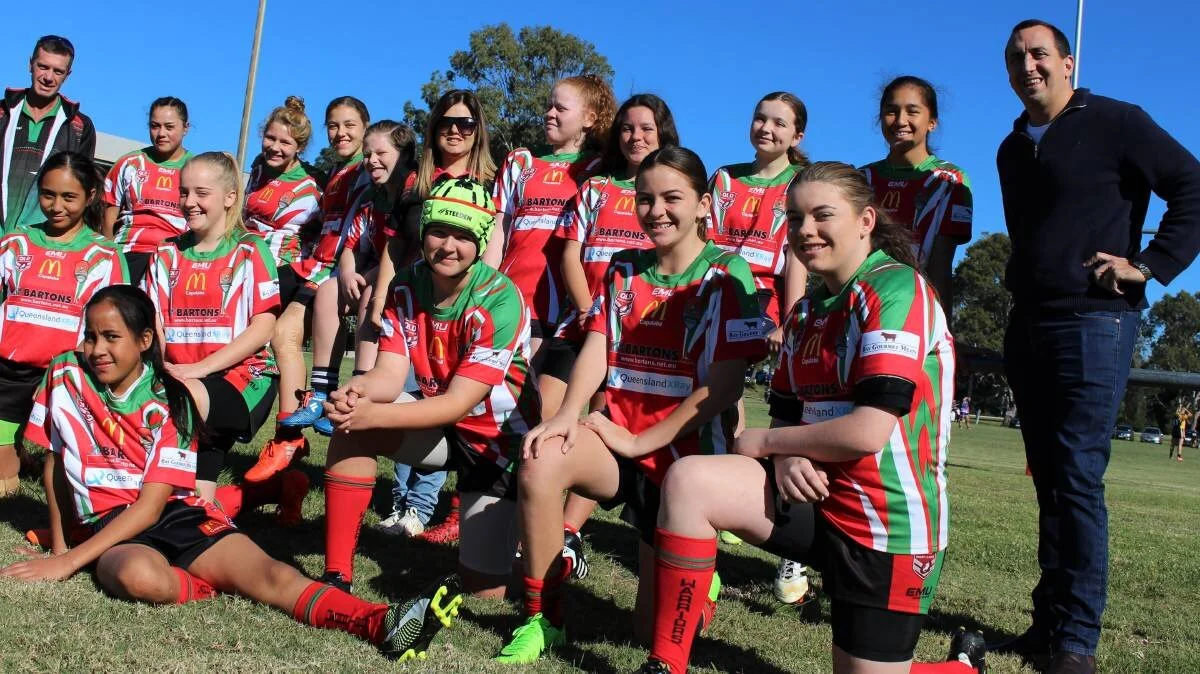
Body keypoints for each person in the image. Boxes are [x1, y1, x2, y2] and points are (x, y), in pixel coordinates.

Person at [631, 161, 984, 674]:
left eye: (822, 216)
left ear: (866, 221)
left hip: (886, 525)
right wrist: (785, 451)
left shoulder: (896, 289)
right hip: (815, 497)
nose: (806, 231)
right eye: (795, 219)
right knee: (690, 482)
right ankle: (666, 663)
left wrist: (769, 446)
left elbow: (868, 431)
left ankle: (961, 669)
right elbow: (788, 415)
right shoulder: (805, 310)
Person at [0, 285, 465, 663]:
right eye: (90, 336)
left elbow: (151, 506)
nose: (96, 349)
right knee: (138, 577)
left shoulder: (172, 400)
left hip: (168, 514)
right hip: (116, 535)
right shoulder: (65, 372)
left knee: (275, 577)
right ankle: (206, 580)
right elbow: (57, 462)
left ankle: (381, 622)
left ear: (144, 341)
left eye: (111, 337)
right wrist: (62, 546)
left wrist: (66, 562)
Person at [496, 147, 765, 664]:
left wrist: (644, 440)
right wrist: (567, 416)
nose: (656, 211)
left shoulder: (730, 275)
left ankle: (697, 579)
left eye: (672, 198)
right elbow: (597, 348)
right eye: (645, 199)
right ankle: (542, 620)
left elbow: (725, 389)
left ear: (705, 205)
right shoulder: (623, 268)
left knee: (648, 635)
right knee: (541, 459)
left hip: (685, 463)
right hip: (616, 444)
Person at [994, 19, 1200, 674]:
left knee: (1078, 477)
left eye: (1039, 54)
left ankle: (1076, 644)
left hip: (1095, 324)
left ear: (1068, 62)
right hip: (1027, 323)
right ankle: (1048, 623)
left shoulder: (1117, 122)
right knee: (1051, 481)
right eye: (1016, 57)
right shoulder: (1010, 149)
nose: (1028, 65)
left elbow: (1193, 186)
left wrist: (1153, 263)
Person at [318, 177, 537, 599]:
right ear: (423, 231)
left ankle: (541, 543)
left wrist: (375, 413)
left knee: (485, 591)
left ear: (481, 241)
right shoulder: (405, 285)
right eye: (439, 231)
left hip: (497, 443)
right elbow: (387, 374)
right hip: (441, 426)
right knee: (351, 425)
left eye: (463, 236)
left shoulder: (500, 298)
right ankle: (337, 574)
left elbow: (459, 402)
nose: (449, 246)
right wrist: (357, 393)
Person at [540, 93, 682, 562]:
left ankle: (567, 533)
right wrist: (587, 309)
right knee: (549, 412)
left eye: (646, 128)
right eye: (627, 128)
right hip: (581, 324)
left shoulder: (667, 192)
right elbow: (569, 254)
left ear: (663, 134)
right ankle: (539, 513)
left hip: (635, 336)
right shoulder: (596, 188)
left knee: (600, 423)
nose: (635, 136)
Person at [706, 91, 811, 599]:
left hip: (765, 309)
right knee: (718, 404)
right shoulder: (724, 176)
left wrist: (788, 322)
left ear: (797, 135)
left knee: (787, 426)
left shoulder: (800, 184)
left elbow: (797, 259)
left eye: (779, 123)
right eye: (760, 118)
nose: (766, 128)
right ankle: (718, 502)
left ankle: (794, 556)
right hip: (715, 304)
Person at [141, 152, 284, 505]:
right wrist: (160, 370)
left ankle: (132, 506)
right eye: (184, 192)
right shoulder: (165, 253)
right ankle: (266, 493)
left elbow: (264, 326)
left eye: (201, 193)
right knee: (198, 501)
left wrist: (197, 371)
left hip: (243, 378)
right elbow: (152, 322)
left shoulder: (251, 250)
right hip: (183, 376)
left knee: (176, 406)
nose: (190, 202)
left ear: (230, 197)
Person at [243, 96, 368, 482]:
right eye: (334, 125)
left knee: (283, 336)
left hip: (328, 269)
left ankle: (288, 438)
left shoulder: (358, 170)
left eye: (349, 125)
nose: (340, 133)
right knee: (273, 340)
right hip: (308, 265)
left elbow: (363, 225)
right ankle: (289, 461)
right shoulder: (333, 171)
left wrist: (352, 266)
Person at [0, 151, 127, 496]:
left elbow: (116, 321)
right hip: (9, 373)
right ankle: (14, 451)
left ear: (91, 197)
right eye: (48, 194)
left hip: (69, 374)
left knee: (71, 476)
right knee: (4, 486)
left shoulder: (105, 254)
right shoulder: (15, 241)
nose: (57, 206)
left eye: (69, 197)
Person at [862, 76, 972, 316]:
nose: (900, 120)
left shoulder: (950, 180)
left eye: (912, 111)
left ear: (932, 122)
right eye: (891, 111)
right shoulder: (861, 179)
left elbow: (941, 267)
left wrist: (943, 334)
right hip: (859, 305)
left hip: (913, 310)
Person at [1, 35, 96, 232]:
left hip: (39, 241)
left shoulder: (80, 126)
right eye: (43, 67)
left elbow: (80, 191)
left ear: (67, 75)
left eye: (58, 71)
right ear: (30, 64)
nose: (48, 77)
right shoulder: (3, 113)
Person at [103, 97, 192, 285]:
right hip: (129, 252)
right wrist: (109, 254)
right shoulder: (129, 163)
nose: (161, 133)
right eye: (155, 126)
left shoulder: (197, 168)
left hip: (175, 256)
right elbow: (109, 212)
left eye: (169, 127)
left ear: (186, 128)